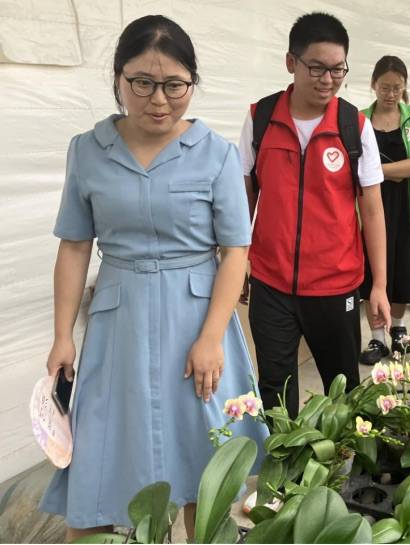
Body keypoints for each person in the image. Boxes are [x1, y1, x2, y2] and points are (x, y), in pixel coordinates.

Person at [39, 15, 268, 541]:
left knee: (204, 460)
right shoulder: (88, 150)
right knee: (102, 453)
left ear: (192, 82)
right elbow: (74, 247)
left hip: (198, 321)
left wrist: (212, 337)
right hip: (118, 325)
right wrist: (60, 336)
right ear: (118, 79)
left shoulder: (216, 155)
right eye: (141, 83)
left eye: (174, 85)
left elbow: (235, 253)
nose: (158, 100)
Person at [239, 13, 390, 416]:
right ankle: (283, 477)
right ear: (292, 62)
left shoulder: (353, 126)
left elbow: (372, 209)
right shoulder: (261, 118)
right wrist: (236, 262)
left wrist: (379, 285)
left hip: (335, 284)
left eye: (337, 69)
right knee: (275, 385)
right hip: (271, 284)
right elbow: (244, 197)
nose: (328, 79)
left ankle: (347, 474)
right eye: (317, 68)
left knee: (342, 386)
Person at [359, 55, 410, 364]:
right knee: (372, 273)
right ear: (373, 84)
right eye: (385, 87)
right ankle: (377, 339)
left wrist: (377, 171)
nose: (390, 94)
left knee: (402, 270)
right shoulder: (358, 119)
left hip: (406, 208)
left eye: (397, 88)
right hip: (368, 207)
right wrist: (397, 171)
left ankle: (398, 328)